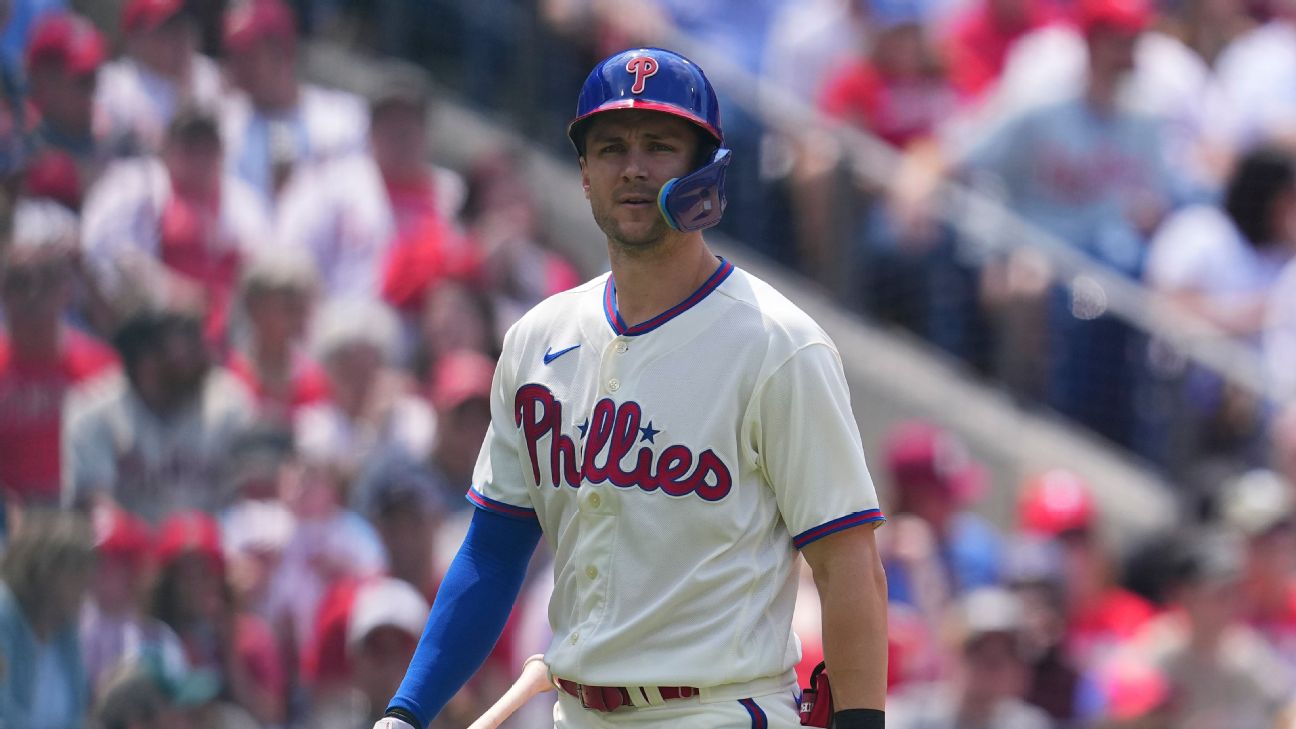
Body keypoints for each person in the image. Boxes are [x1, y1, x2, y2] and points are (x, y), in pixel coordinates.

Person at [374, 47, 889, 729]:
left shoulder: (778, 345)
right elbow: (492, 552)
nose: (634, 167)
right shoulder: (537, 339)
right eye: (611, 147)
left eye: (659, 145)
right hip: (577, 711)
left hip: (718, 709)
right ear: (584, 174)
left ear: (707, 170)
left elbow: (848, 565)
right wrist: (406, 712)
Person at [0, 198, 117, 506]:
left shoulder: (101, 368)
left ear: (66, 291)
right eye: (19, 282)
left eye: (47, 280)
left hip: (81, 508)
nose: (32, 295)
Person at [0, 509, 95, 729]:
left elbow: (77, 715)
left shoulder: (67, 634)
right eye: (76, 574)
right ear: (44, 572)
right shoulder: (4, 619)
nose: (85, 587)